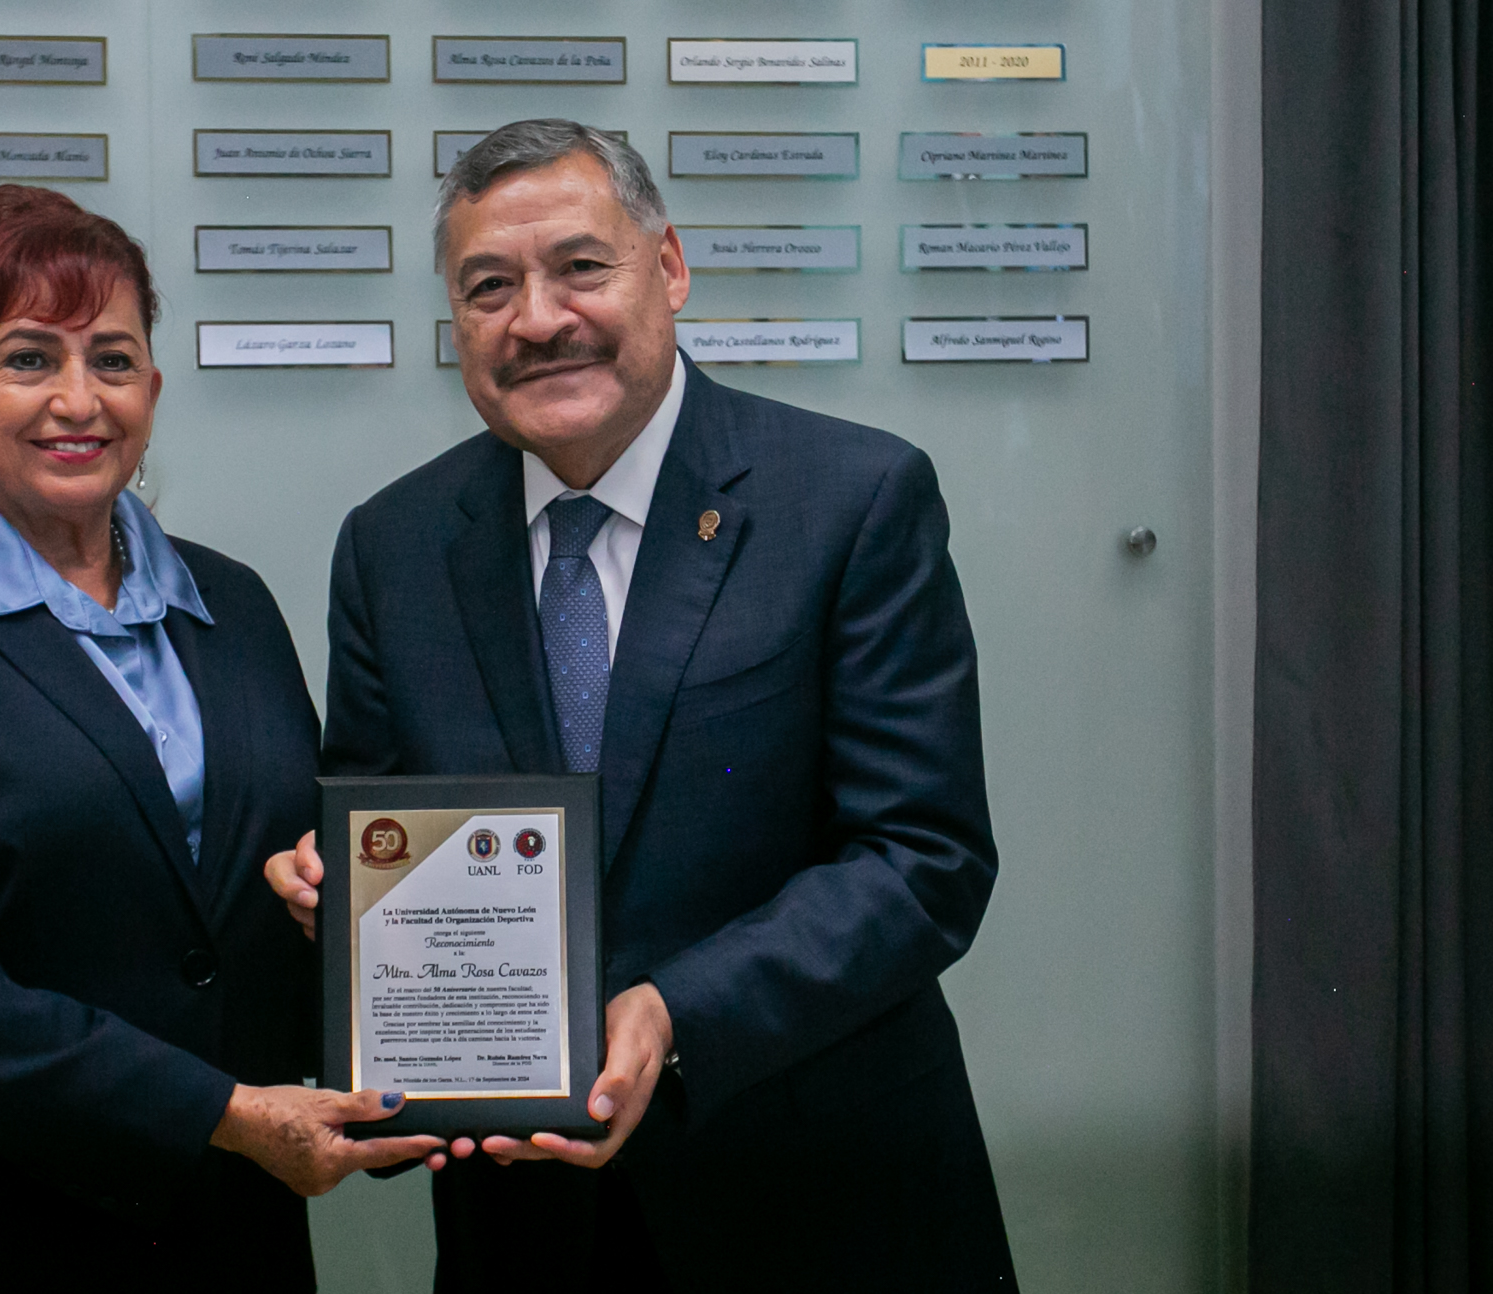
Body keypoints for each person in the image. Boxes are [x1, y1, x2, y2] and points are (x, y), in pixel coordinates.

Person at [266, 120, 1020, 1290]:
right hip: (528, 1227)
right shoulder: (393, 547)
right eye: (488, 286)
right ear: (456, 323)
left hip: (816, 1198)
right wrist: (341, 899)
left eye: (579, 266)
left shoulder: (850, 498)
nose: (537, 319)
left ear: (665, 268)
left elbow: (922, 859)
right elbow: (385, 826)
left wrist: (675, 1011)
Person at [0, 185, 439, 1292]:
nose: (79, 400)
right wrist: (221, 1112)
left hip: (218, 1232)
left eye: (112, 361)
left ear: (153, 390)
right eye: (28, 359)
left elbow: (273, 900)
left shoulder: (233, 601)